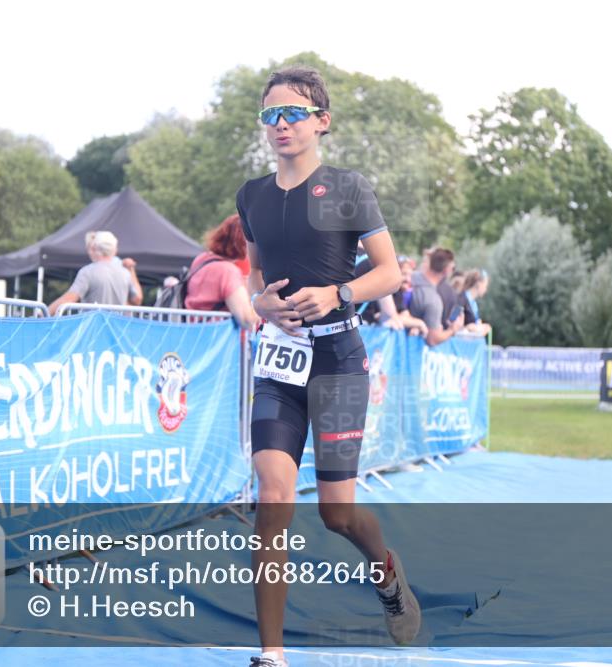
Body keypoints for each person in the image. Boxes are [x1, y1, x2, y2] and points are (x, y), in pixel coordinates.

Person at [236, 66, 419, 667]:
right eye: (270, 115)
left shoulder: (347, 187)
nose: (281, 125)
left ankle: (387, 575)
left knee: (335, 512)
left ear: (322, 121)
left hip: (339, 361)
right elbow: (258, 277)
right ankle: (272, 653)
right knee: (273, 495)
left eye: (293, 114)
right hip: (278, 365)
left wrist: (340, 294)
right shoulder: (252, 196)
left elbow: (390, 273)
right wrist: (260, 302)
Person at [183, 214, 259, 330]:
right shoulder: (228, 271)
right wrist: (264, 307)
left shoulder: (202, 259)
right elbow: (246, 320)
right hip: (216, 339)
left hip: (192, 333)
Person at [47, 231, 142, 315]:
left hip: (94, 331)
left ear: (94, 247)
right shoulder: (125, 272)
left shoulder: (87, 272)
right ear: (115, 250)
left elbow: (69, 299)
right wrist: (131, 270)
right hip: (117, 331)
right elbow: (137, 299)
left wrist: (44, 313)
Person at [409, 247, 465, 346]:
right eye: (452, 268)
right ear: (447, 270)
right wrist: (453, 330)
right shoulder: (433, 301)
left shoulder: (407, 277)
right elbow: (432, 339)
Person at [460, 269, 492, 337]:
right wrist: (468, 328)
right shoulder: (461, 300)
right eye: (485, 286)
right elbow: (452, 325)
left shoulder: (473, 303)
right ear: (479, 284)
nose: (486, 289)